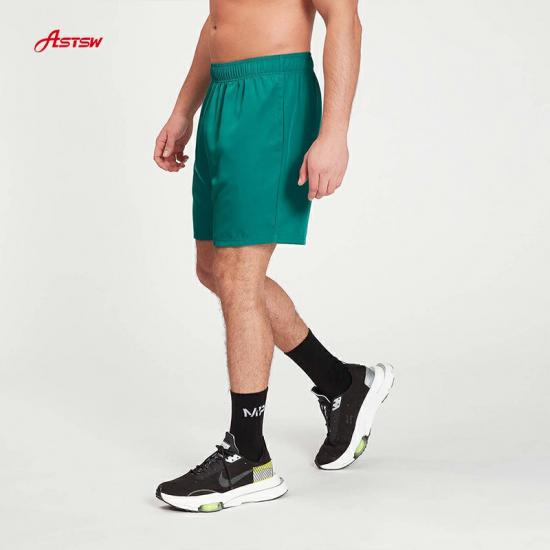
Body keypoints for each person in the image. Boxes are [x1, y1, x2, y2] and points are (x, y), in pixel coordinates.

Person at [153, 0, 394, 513]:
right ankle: (341, 383)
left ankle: (248, 458)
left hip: (273, 94)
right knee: (213, 270)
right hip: (223, 94)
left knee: (239, 275)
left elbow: (344, 20)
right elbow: (218, 22)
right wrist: (183, 110)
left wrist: (334, 132)